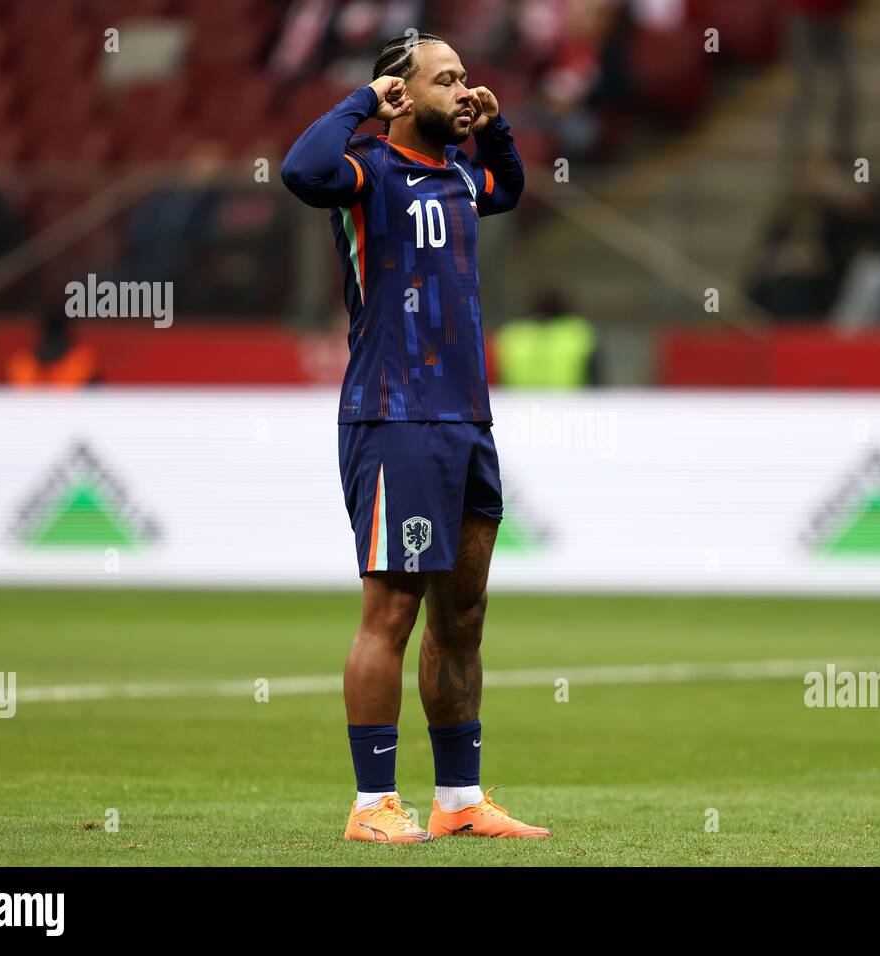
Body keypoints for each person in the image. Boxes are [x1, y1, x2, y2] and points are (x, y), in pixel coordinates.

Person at [281, 33, 549, 843]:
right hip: (393, 416)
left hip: (466, 418)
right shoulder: (365, 171)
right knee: (390, 613)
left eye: (469, 76)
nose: (465, 90)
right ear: (401, 93)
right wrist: (365, 102)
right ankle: (372, 808)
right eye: (447, 80)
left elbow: (510, 187)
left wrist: (496, 126)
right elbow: (301, 170)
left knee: (462, 615)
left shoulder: (464, 173)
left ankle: (460, 799)